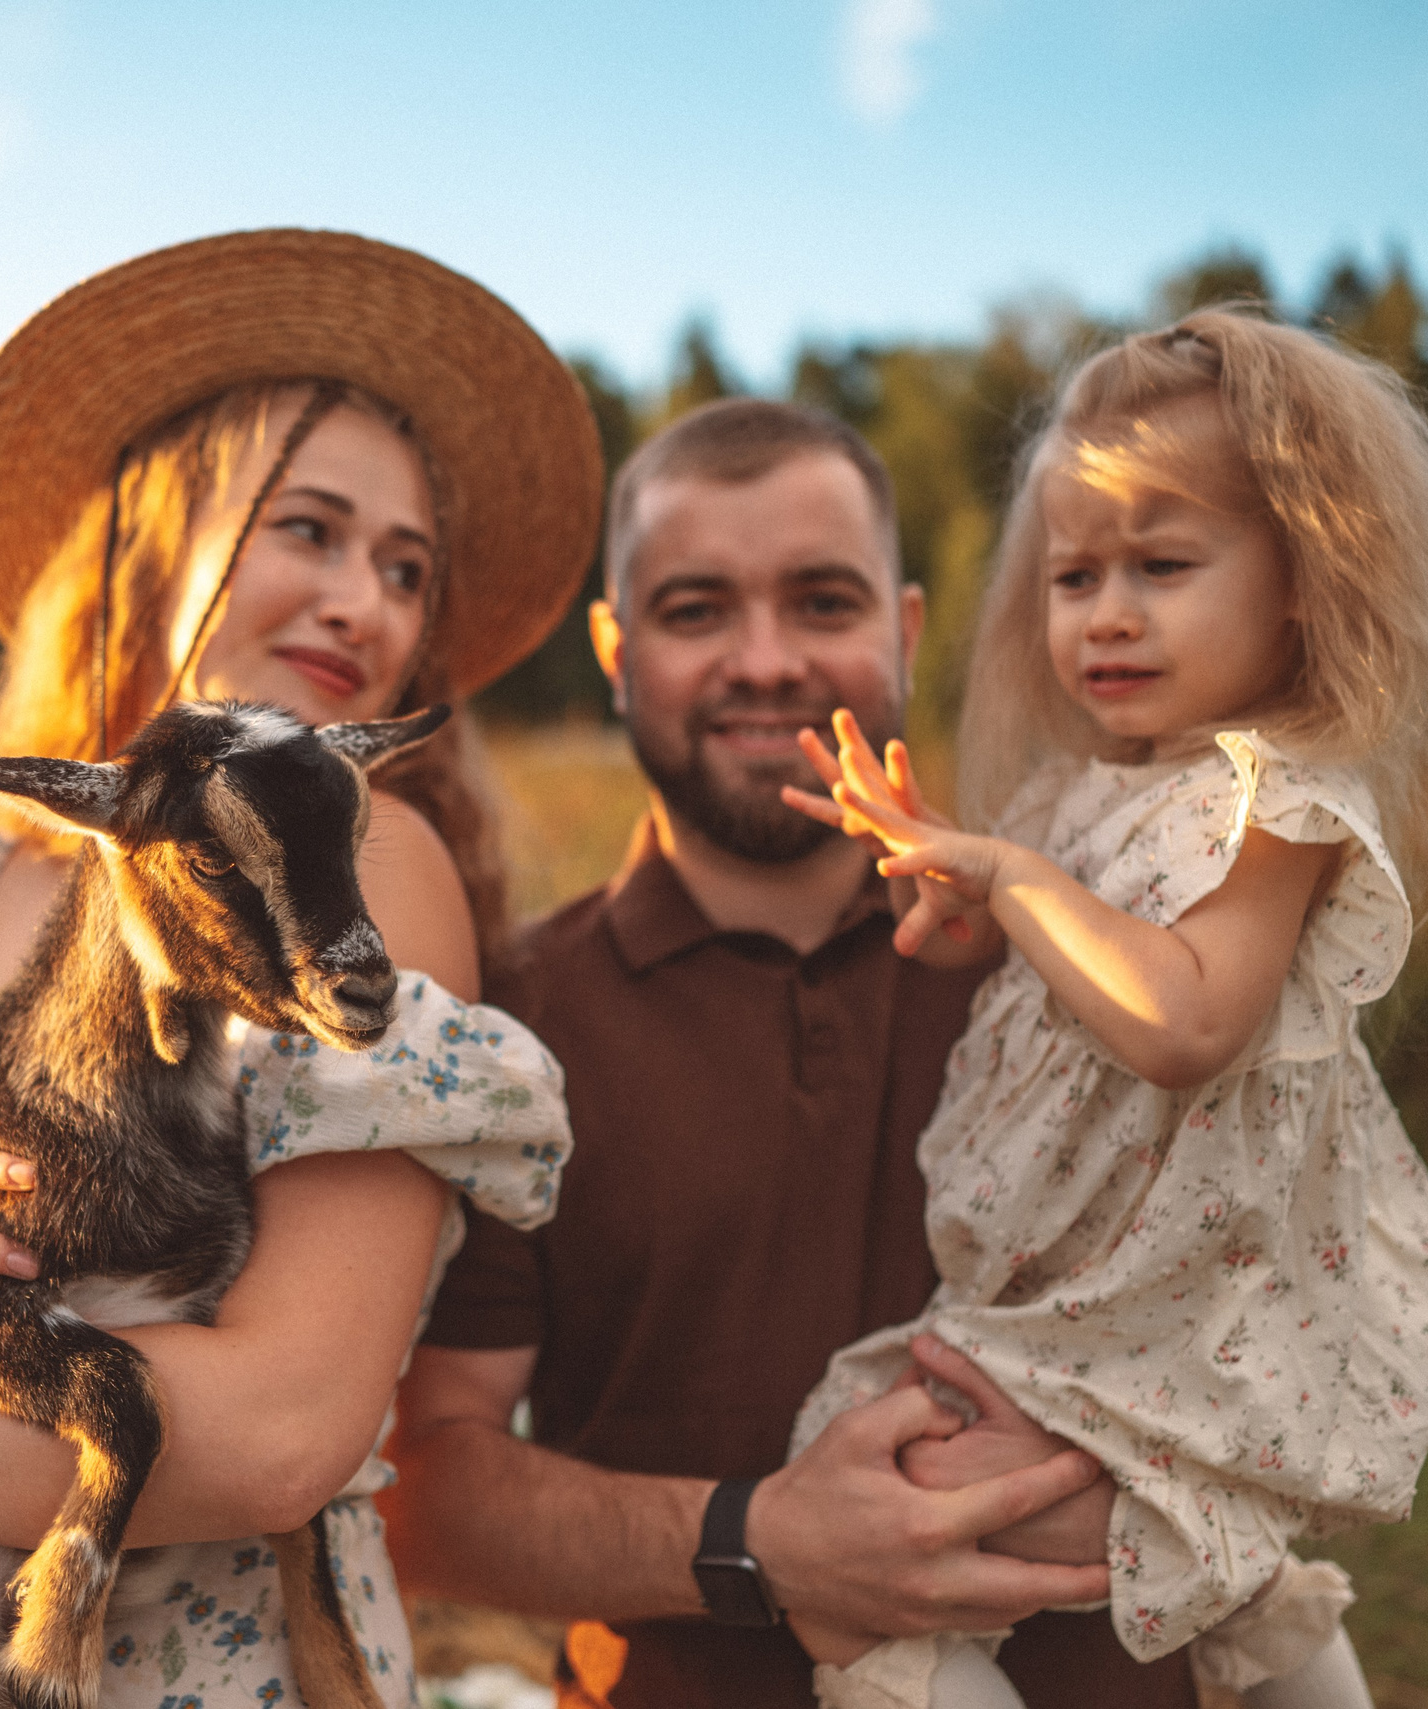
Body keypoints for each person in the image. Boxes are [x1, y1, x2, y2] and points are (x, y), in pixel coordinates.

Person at [0, 229, 601, 1707]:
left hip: (191, 1657)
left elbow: (274, 1432)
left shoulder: (365, 879)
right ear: (155, 543)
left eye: (406, 566)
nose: (367, 601)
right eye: (310, 528)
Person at [386, 397, 1203, 1708]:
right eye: (696, 609)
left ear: (907, 628)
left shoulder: (1103, 964)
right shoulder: (500, 1023)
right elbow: (429, 1491)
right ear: (615, 646)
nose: (763, 661)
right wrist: (753, 1538)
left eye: (823, 601)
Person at [774, 309, 1428, 1709]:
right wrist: (962, 896)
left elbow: (1182, 1021)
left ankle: (1248, 1607)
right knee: (898, 1509)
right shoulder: (1075, 795)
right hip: (1073, 1290)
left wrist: (1018, 876)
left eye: (1162, 566)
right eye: (1073, 573)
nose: (1106, 612)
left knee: (894, 1517)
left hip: (1183, 1305)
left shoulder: (1270, 801)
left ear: (1302, 582)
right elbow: (1058, 970)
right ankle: (1256, 1621)